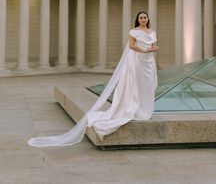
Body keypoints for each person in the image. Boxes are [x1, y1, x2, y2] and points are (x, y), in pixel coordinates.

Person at [28, 11, 158, 147]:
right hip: (137, 60)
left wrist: (152, 49)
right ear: (138, 19)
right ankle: (135, 109)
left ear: (148, 19)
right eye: (141, 17)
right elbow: (132, 46)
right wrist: (145, 50)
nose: (143, 19)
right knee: (136, 85)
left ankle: (145, 109)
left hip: (148, 62)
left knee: (147, 85)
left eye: (145, 17)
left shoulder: (152, 32)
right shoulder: (133, 32)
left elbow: (153, 45)